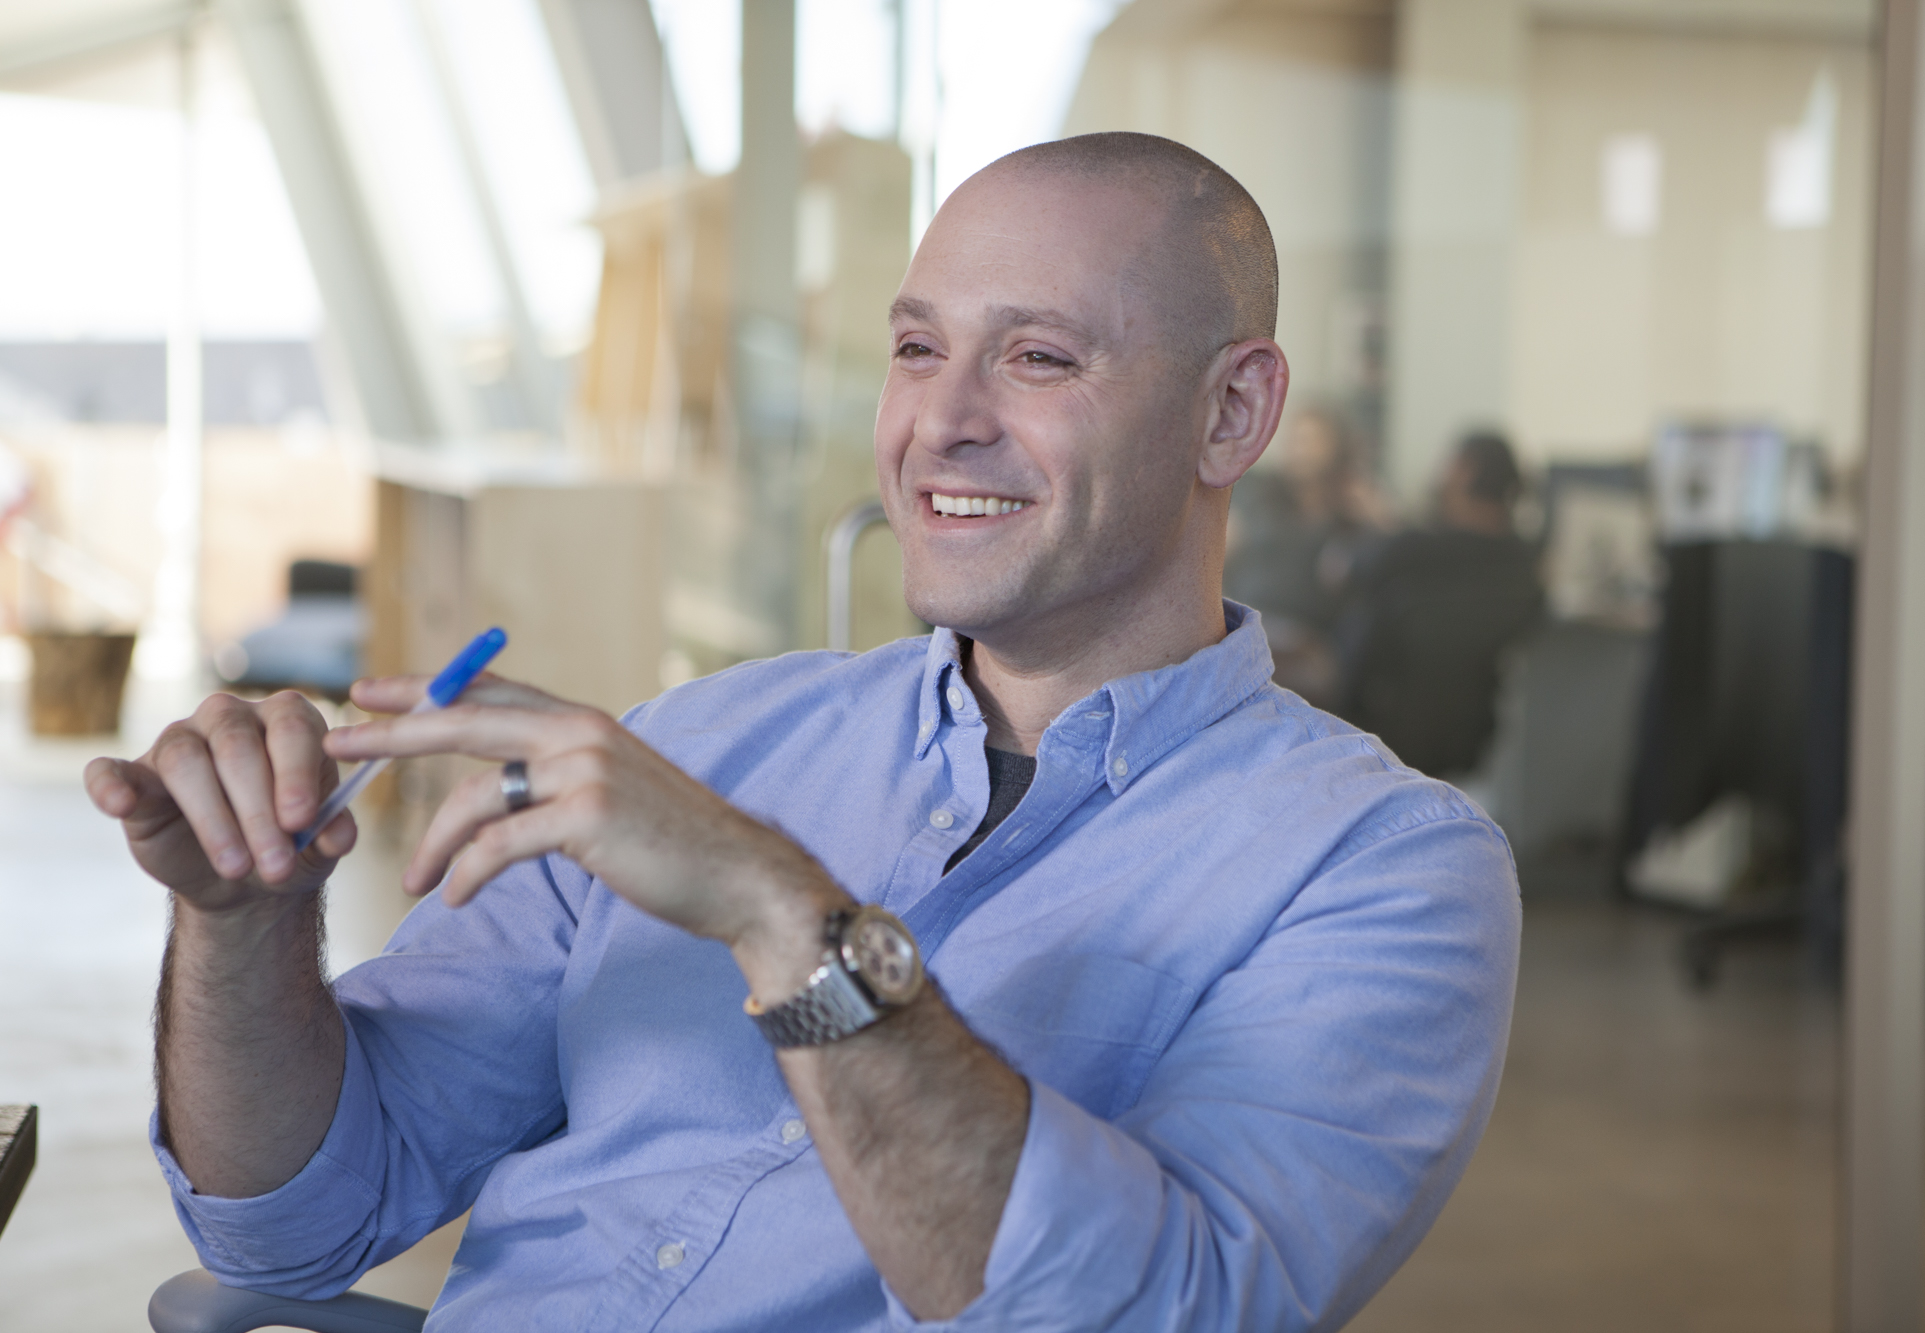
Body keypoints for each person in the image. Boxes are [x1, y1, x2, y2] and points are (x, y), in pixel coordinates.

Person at [87, 133, 1520, 1331]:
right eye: (916, 347)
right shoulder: (708, 738)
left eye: (1037, 357)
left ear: (1231, 412)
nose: (939, 422)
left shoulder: (1383, 870)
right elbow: (293, 1220)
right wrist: (239, 926)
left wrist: (781, 914)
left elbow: (1162, 1311)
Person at [1330, 429, 1545, 779]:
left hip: (1381, 744)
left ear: (1465, 471)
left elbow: (1344, 573)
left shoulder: (1410, 551)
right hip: (1477, 747)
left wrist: (1381, 525)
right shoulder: (1527, 564)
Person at [1224, 404, 1394, 706]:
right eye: (1296, 439)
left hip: (1313, 640)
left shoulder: (1348, 512)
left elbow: (1395, 555)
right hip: (1250, 626)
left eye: (1313, 440)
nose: (1300, 449)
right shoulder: (1257, 493)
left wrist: (1375, 513)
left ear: (1337, 448)